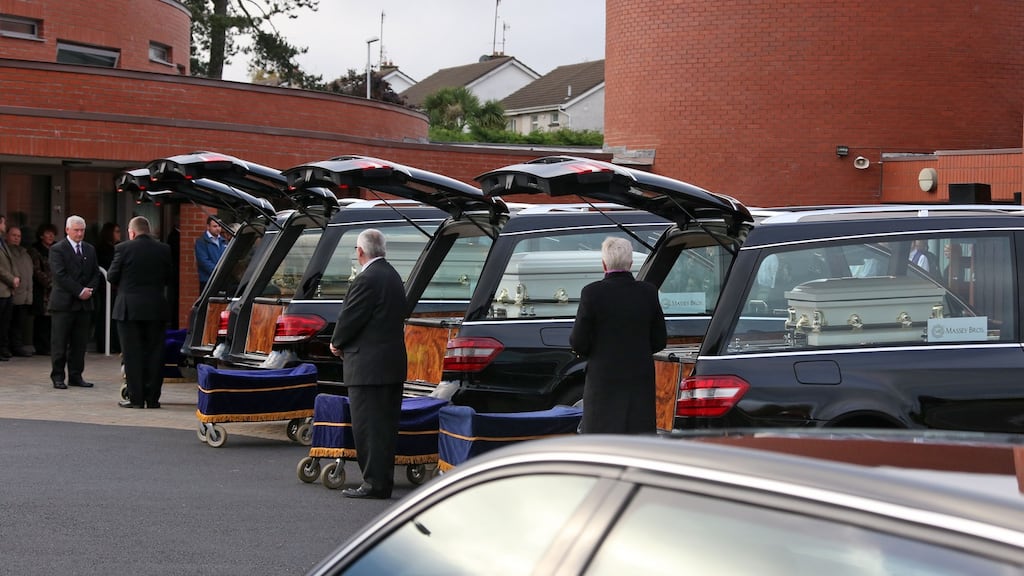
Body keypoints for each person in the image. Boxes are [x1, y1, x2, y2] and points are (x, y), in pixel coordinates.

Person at [329, 229, 407, 499]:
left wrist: (336, 342)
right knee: (384, 428)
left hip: (368, 367)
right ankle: (381, 481)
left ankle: (373, 484)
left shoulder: (367, 278)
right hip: (390, 365)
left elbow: (351, 317)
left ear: (360, 252)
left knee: (368, 429)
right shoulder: (393, 275)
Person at [570, 236, 667, 435]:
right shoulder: (648, 292)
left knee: (601, 442)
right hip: (639, 383)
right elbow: (659, 340)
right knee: (637, 442)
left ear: (604, 264)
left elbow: (578, 342)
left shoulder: (591, 293)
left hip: (602, 382)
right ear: (631, 263)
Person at [108, 216, 172, 409]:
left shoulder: (123, 248)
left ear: (132, 232)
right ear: (148, 230)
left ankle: (136, 399)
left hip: (129, 309)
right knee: (155, 354)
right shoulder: (163, 249)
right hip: (155, 308)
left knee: (132, 354)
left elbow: (111, 276)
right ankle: (153, 399)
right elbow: (169, 277)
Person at [49, 215, 101, 389]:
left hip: (84, 304)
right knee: (60, 342)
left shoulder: (89, 249)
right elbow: (60, 275)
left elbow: (95, 273)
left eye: (82, 230)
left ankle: (76, 375)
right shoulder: (58, 249)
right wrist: (79, 291)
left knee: (80, 343)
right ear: (67, 230)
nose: (79, 234)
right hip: (63, 303)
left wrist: (89, 290)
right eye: (76, 230)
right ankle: (57, 376)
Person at [28, 223, 56, 355]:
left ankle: (51, 345)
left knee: (52, 320)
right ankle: (41, 346)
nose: (51, 236)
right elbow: (36, 270)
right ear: (41, 235)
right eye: (47, 233)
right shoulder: (35, 250)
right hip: (42, 290)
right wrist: (50, 283)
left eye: (52, 233)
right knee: (42, 320)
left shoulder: (56, 249)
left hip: (56, 290)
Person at [6, 225, 34, 357]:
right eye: (13, 235)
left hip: (25, 295)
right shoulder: (6, 252)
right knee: (8, 324)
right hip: (12, 293)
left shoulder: (24, 253)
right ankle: (9, 347)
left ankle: (17, 346)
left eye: (19, 236)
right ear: (7, 236)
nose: (16, 238)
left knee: (19, 324)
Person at [94, 221, 121, 353]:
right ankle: (105, 344)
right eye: (116, 231)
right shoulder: (103, 250)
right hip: (106, 289)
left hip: (114, 288)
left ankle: (114, 343)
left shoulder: (116, 248)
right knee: (105, 316)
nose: (119, 234)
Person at [0, 215, 18, 361]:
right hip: (2, 287)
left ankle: (3, 349)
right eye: (4, 222)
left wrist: (15, 277)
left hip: (7, 290)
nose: (5, 225)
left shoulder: (2, 242)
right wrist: (11, 279)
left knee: (5, 323)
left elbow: (10, 263)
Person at [194, 216, 226, 291]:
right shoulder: (201, 242)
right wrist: (218, 272)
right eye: (215, 226)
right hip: (207, 280)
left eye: (219, 226)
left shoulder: (224, 241)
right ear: (208, 227)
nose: (218, 228)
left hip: (221, 280)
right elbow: (203, 261)